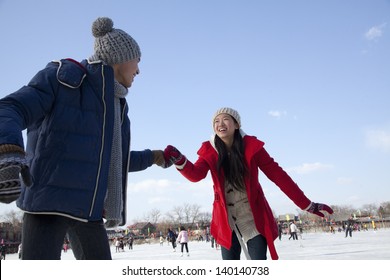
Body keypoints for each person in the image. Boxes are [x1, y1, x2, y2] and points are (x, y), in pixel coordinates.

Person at [0, 17, 170, 260]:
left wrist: (154, 157)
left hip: (89, 211)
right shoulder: (63, 78)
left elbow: (110, 162)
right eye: (138, 61)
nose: (139, 70)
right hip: (47, 205)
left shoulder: (117, 106)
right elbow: (10, 108)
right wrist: (8, 149)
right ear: (121, 57)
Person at [164, 107, 333, 260]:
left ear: (236, 125)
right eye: (216, 121)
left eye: (225, 119)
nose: (220, 124)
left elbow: (279, 176)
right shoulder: (210, 150)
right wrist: (180, 160)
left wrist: (307, 204)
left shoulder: (252, 147)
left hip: (252, 217)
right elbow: (195, 174)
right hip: (226, 220)